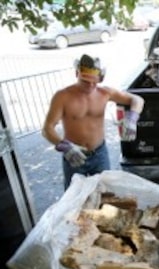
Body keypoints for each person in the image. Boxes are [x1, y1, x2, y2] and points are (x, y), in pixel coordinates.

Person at [42, 54, 144, 189]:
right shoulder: (62, 96)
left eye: (94, 82)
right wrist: (65, 146)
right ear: (77, 73)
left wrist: (132, 119)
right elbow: (47, 129)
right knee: (74, 196)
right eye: (85, 81)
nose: (90, 85)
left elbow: (137, 100)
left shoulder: (104, 93)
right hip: (74, 155)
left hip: (99, 153)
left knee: (107, 192)